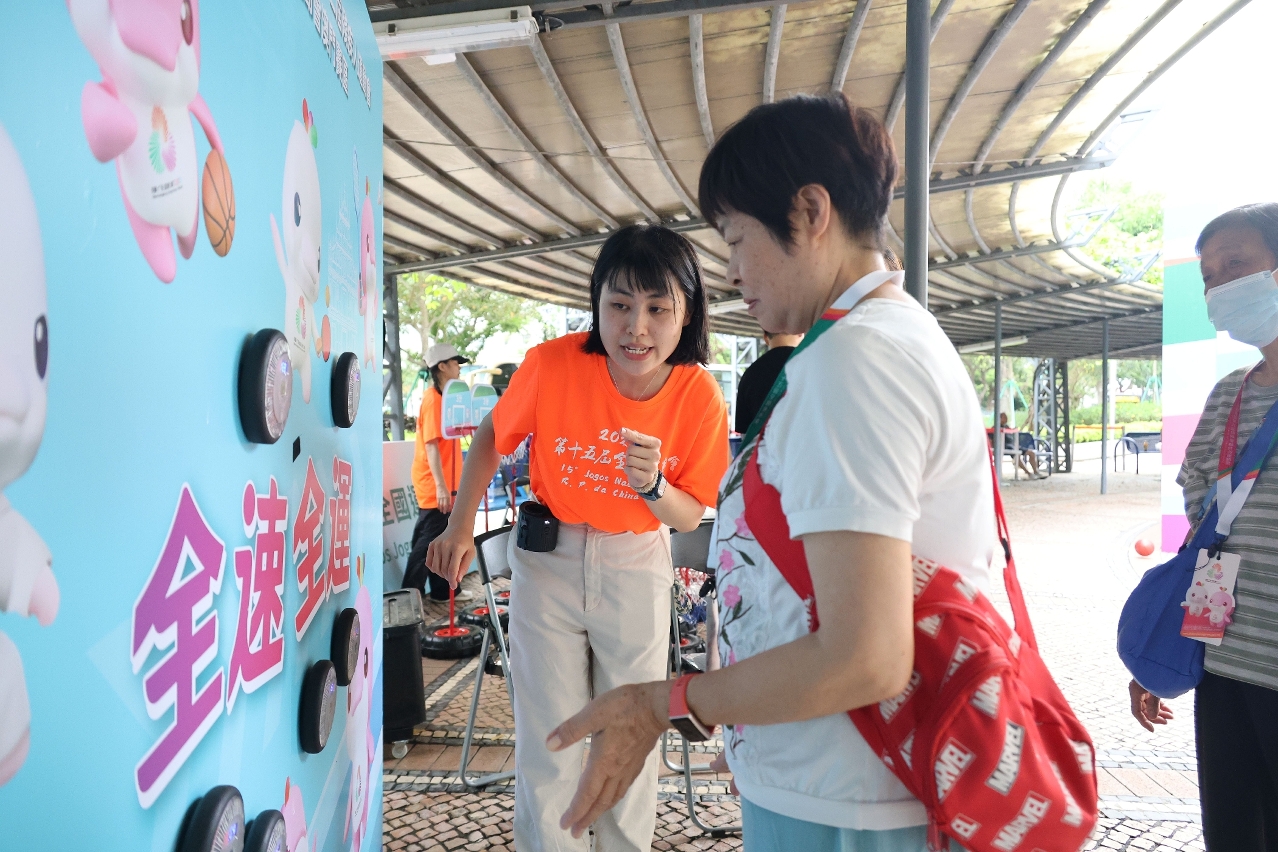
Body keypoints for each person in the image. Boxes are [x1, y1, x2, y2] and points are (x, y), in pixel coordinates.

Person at [542, 94, 997, 851]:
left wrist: (667, 702)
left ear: (810, 213)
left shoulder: (855, 362)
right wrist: (751, 708)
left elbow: (866, 655)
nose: (732, 271)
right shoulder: (878, 338)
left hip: (848, 800)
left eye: (737, 239)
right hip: (839, 779)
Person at [426, 224, 730, 852]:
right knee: (551, 737)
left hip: (636, 562)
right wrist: (459, 525)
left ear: (688, 312)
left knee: (629, 733)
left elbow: (689, 515)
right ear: (597, 304)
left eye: (658, 308)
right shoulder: (552, 365)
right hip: (549, 562)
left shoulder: (699, 395)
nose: (635, 328)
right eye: (619, 304)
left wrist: (652, 486)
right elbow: (492, 436)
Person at [1129, 202, 1278, 849]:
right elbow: (1211, 541)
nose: (1220, 287)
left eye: (1236, 264)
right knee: (1235, 835)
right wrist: (1169, 652)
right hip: (1227, 671)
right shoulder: (1229, 396)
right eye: (1210, 277)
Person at [403, 343, 473, 603]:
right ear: (442, 367)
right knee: (428, 540)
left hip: (447, 481)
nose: (459, 368)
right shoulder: (433, 399)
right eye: (455, 363)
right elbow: (431, 446)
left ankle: (443, 592)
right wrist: (441, 487)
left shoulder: (448, 399)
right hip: (435, 483)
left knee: (439, 534)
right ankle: (410, 596)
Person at [734, 331, 802, 433]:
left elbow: (744, 431)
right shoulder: (811, 366)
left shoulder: (750, 373)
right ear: (800, 333)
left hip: (764, 442)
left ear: (766, 338)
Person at [991, 411, 1041, 479]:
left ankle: (1036, 471)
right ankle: (1028, 473)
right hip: (1005, 447)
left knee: (1031, 453)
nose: (1006, 419)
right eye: (1004, 417)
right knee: (1016, 455)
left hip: (1014, 446)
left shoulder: (1007, 427)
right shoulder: (995, 428)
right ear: (999, 418)